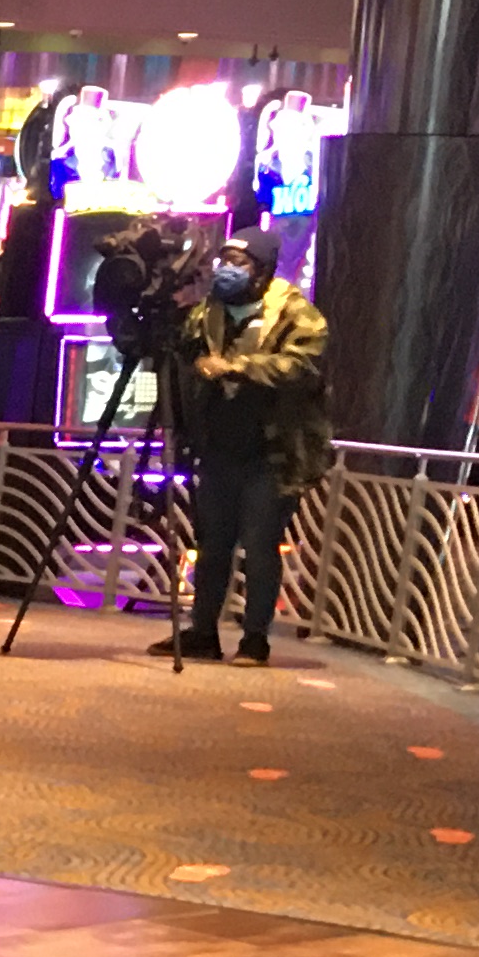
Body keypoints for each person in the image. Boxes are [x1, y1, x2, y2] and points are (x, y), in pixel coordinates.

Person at [153, 229, 331, 664]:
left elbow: (302, 365)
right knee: (212, 544)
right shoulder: (208, 311)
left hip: (274, 452)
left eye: (241, 262)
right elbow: (184, 352)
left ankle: (255, 639)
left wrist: (234, 367)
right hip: (218, 447)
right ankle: (202, 633)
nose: (229, 269)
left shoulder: (297, 314)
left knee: (259, 543)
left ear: (264, 270)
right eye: (225, 259)